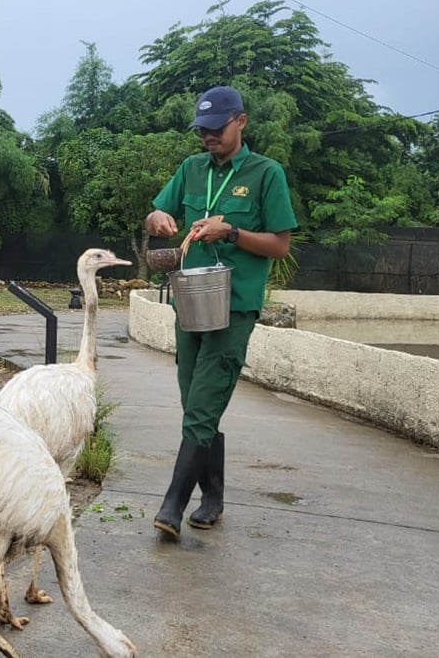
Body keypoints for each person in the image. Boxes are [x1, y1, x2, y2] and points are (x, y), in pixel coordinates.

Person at [144, 85, 297, 540]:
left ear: (240, 121)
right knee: (196, 403)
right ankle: (213, 496)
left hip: (234, 306)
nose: (208, 137)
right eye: (202, 130)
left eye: (216, 128)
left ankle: (173, 503)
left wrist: (230, 231)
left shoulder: (266, 173)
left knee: (203, 404)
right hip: (191, 302)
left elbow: (279, 244)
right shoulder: (191, 170)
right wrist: (156, 219)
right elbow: (157, 211)